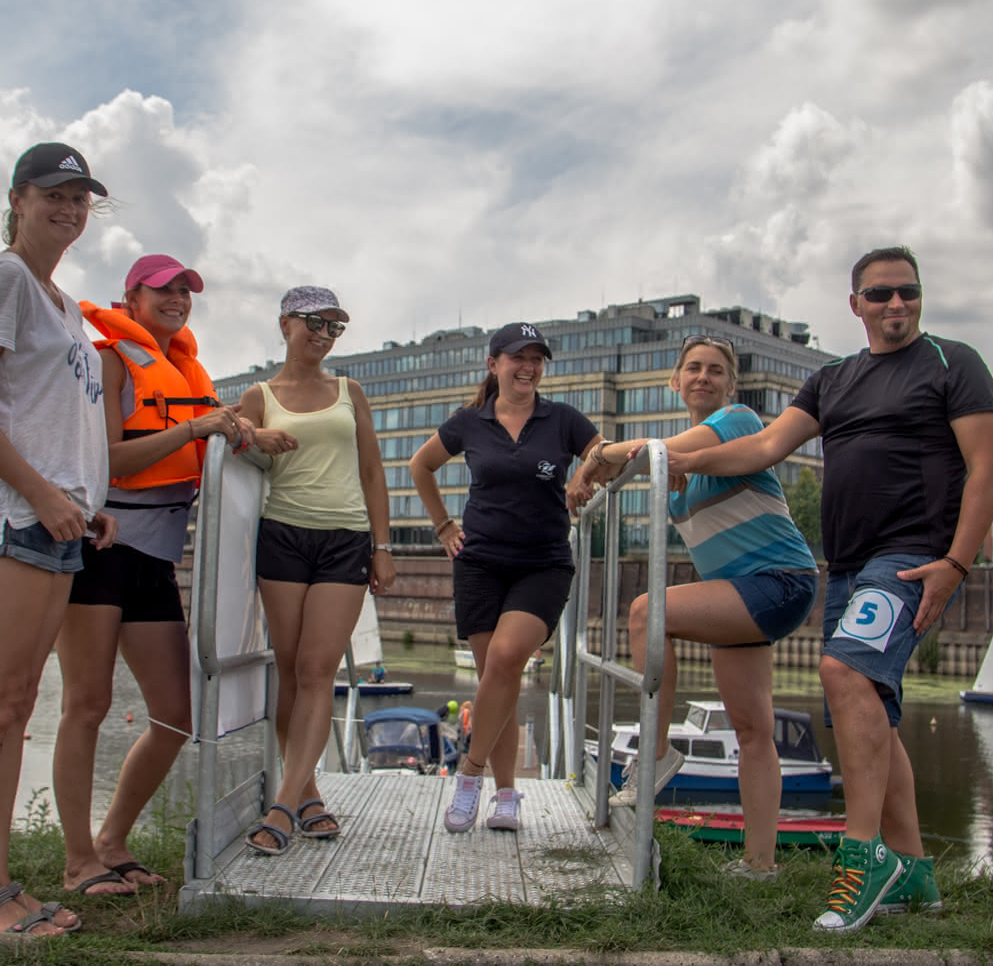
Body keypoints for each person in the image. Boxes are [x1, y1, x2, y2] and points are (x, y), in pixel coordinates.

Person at [663, 247, 993, 933]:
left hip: (910, 560)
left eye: (907, 292)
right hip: (846, 567)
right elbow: (762, 449)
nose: (896, 304)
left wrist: (956, 562)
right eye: (880, 294)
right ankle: (915, 872)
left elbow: (987, 465)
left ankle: (862, 858)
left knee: (843, 670)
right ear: (856, 305)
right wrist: (683, 461)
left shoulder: (953, 362)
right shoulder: (832, 380)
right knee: (868, 706)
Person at [51, 253, 287, 898]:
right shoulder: (108, 361)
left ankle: (111, 841)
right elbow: (106, 460)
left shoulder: (185, 372)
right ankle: (79, 862)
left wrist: (246, 437)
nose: (178, 298)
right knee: (87, 704)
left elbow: (205, 438)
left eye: (186, 290)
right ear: (130, 299)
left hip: (155, 561)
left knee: (175, 715)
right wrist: (197, 425)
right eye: (164, 290)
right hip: (100, 551)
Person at [0, 141, 119, 935]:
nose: (70, 209)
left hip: (59, 520)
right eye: (54, 194)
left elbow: (57, 416)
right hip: (14, 519)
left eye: (81, 198)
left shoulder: (65, 304)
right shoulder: (4, 276)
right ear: (18, 198)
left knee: (16, 704)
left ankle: (2, 884)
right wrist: (44, 493)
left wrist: (88, 496)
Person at [574, 334, 818, 879]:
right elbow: (635, 461)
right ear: (676, 381)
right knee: (753, 732)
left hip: (777, 581)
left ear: (730, 385)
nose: (703, 377)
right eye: (693, 369)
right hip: (743, 595)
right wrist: (589, 476)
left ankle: (655, 749)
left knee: (645, 612)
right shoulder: (676, 465)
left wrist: (597, 457)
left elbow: (642, 451)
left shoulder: (739, 419)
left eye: (714, 370)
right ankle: (761, 865)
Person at [409, 323, 601, 834]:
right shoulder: (469, 422)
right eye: (519, 357)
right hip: (480, 563)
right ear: (494, 364)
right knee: (500, 683)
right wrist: (444, 524)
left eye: (537, 358)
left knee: (508, 658)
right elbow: (420, 466)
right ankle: (508, 794)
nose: (529, 367)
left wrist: (584, 473)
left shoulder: (561, 420)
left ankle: (469, 776)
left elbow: (603, 452)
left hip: (543, 563)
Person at [237, 286, 394, 855]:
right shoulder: (259, 395)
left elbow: (372, 470)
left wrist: (383, 545)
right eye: (314, 323)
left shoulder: (350, 391)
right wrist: (253, 432)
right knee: (288, 669)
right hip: (281, 536)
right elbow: (222, 432)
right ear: (285, 324)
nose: (324, 335)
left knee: (316, 668)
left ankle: (281, 806)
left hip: (344, 539)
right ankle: (305, 793)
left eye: (334, 327)